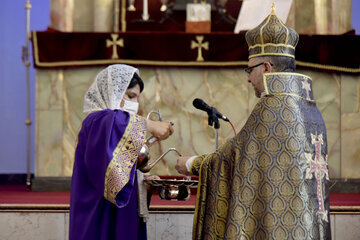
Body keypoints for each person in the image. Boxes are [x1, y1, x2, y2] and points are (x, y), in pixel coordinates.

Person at [176, 5, 331, 240]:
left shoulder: (273, 105)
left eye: (250, 69)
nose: (248, 78)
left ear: (266, 68)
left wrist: (191, 164)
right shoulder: (309, 107)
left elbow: (232, 158)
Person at [69, 64, 174, 240]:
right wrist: (150, 125)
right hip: (99, 214)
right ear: (112, 92)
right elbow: (115, 120)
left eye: (137, 98)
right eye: (130, 96)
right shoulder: (97, 120)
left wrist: (142, 181)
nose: (134, 104)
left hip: (120, 213)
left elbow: (115, 170)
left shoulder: (114, 125)